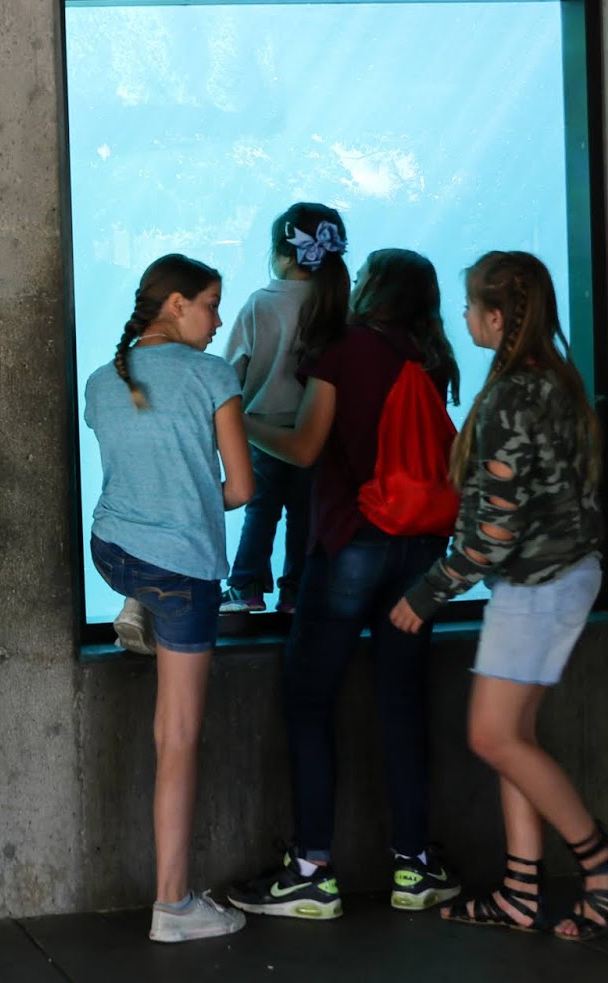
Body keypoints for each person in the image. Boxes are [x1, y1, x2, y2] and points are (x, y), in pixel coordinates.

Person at [388, 251, 608, 940]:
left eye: (471, 306)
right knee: (512, 739)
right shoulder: (551, 381)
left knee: (492, 735)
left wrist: (429, 592)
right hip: (561, 577)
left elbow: (495, 532)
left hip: (537, 587)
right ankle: (521, 893)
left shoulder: (511, 398)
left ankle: (602, 863)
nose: (464, 317)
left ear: (496, 318)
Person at [226, 248, 464, 920]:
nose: (352, 284)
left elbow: (305, 447)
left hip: (354, 540)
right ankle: (415, 867)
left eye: (362, 278)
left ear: (374, 289)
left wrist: (237, 417)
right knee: (403, 703)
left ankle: (310, 871)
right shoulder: (429, 355)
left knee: (309, 701)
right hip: (422, 549)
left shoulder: (346, 348)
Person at [84, 254, 254, 942]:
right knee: (176, 736)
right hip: (181, 570)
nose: (218, 319)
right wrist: (194, 506)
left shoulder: (103, 380)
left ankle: (135, 603)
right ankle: (174, 906)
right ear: (176, 303)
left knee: (144, 571)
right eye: (211, 303)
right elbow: (241, 489)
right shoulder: (213, 375)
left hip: (112, 550)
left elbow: (138, 464)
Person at [220, 204, 348, 615]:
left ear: (282, 254)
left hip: (262, 430)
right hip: (319, 431)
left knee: (261, 509)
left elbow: (230, 369)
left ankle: (246, 588)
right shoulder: (339, 305)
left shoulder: (261, 303)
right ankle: (295, 593)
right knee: (305, 513)